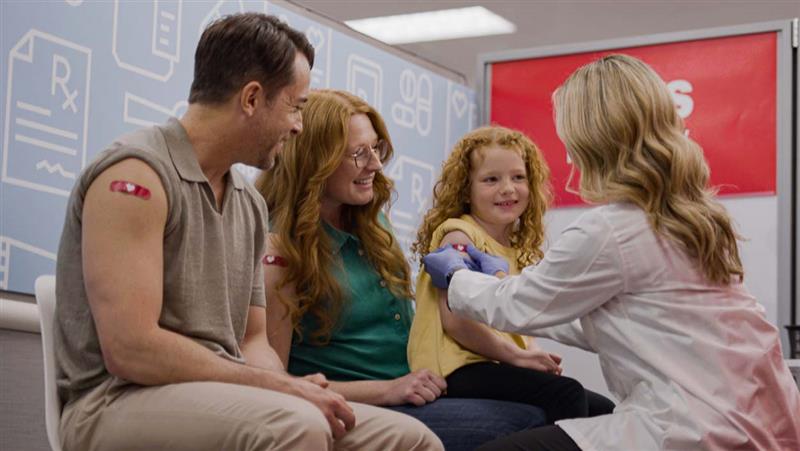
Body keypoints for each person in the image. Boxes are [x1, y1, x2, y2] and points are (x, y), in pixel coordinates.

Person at [53, 13, 440, 451]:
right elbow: (132, 349)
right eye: (295, 106)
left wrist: (290, 384)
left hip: (223, 393)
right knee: (296, 425)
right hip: (115, 402)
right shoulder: (135, 176)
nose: (297, 126)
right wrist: (277, 388)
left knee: (411, 439)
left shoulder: (248, 203)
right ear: (252, 98)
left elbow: (253, 340)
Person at [422, 54, 800, 450]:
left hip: (690, 429)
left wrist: (458, 276)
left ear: (593, 140)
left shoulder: (611, 230)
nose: (567, 155)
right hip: (763, 423)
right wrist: (502, 282)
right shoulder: (696, 218)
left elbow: (519, 306)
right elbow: (630, 320)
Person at [256, 89, 547, 451]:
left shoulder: (374, 224)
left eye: (376, 149)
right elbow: (275, 384)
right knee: (530, 422)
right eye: (359, 153)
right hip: (362, 404)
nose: (376, 164)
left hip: (417, 391)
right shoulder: (279, 248)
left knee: (548, 406)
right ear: (316, 160)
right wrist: (388, 390)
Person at [408, 125, 615, 424]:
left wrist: (532, 352)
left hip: (494, 362)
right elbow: (456, 322)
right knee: (566, 394)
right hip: (455, 368)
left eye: (518, 177)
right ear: (466, 189)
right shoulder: (459, 235)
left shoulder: (516, 248)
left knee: (604, 409)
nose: (507, 188)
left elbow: (521, 318)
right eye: (491, 179)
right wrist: (516, 357)